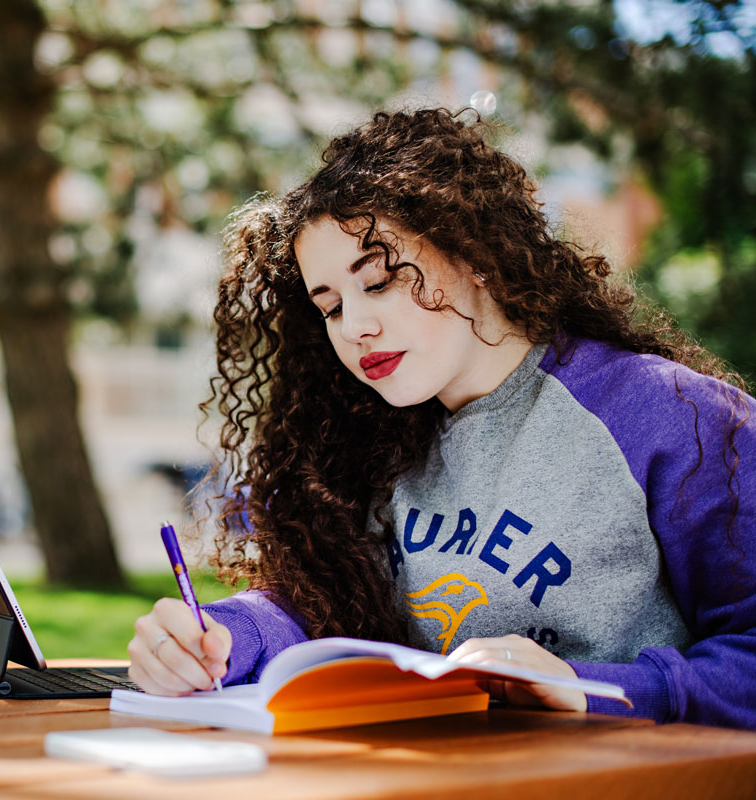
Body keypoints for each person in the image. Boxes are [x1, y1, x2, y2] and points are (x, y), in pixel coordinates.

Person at [128, 108, 756, 728]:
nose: (356, 327)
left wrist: (595, 688)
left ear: (474, 253)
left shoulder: (671, 417)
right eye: (331, 306)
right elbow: (328, 605)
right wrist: (219, 637)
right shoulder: (372, 435)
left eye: (377, 282)